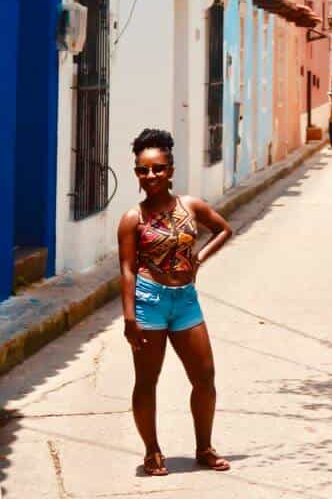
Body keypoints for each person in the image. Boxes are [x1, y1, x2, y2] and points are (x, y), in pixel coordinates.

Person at [117, 128, 233, 477]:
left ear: (170, 169)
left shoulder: (190, 206)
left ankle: (204, 448)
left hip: (185, 302)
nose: (150, 176)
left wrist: (198, 259)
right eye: (142, 170)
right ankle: (152, 452)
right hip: (149, 302)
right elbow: (126, 270)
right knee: (146, 381)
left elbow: (224, 229)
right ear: (136, 173)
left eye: (157, 168)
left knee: (205, 378)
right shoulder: (132, 219)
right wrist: (129, 319)